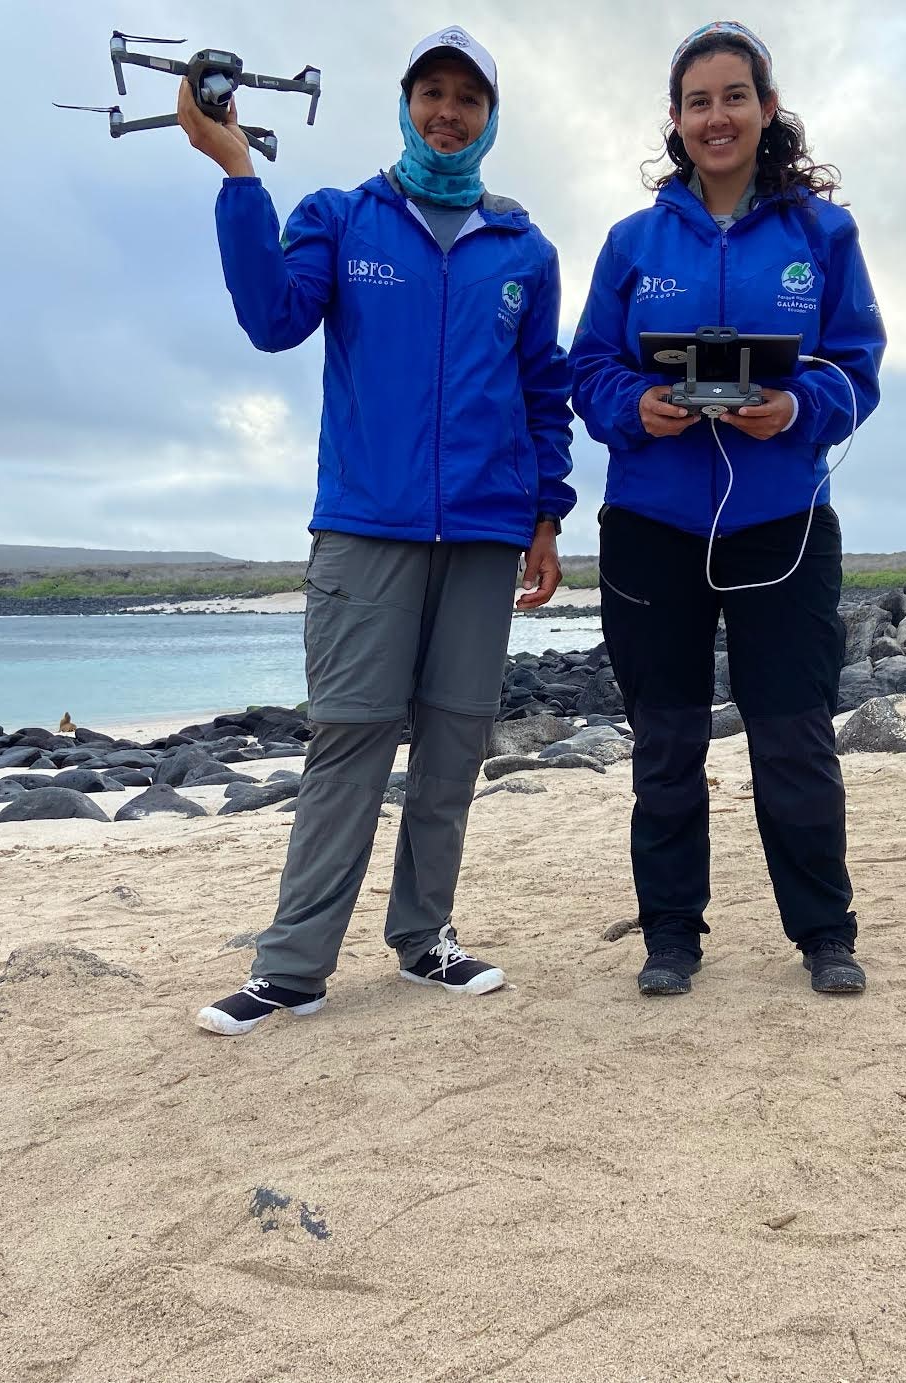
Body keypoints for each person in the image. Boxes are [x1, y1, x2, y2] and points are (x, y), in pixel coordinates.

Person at [179, 25, 575, 1035]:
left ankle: (424, 938)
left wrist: (546, 515)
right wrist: (236, 173)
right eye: (431, 93)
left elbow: (544, 392)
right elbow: (271, 319)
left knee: (452, 745)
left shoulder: (524, 250)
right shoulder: (342, 217)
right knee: (349, 741)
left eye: (468, 98)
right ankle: (292, 969)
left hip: (486, 536)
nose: (448, 113)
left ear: (490, 117)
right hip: (366, 530)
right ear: (405, 105)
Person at [570, 21, 885, 998]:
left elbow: (858, 368)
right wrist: (635, 408)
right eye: (698, 101)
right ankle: (671, 935)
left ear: (766, 108)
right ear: (674, 119)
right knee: (666, 741)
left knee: (794, 735)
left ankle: (824, 934)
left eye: (734, 97)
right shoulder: (632, 243)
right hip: (651, 526)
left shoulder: (821, 236)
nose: (717, 117)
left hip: (782, 522)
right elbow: (587, 371)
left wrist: (795, 409)